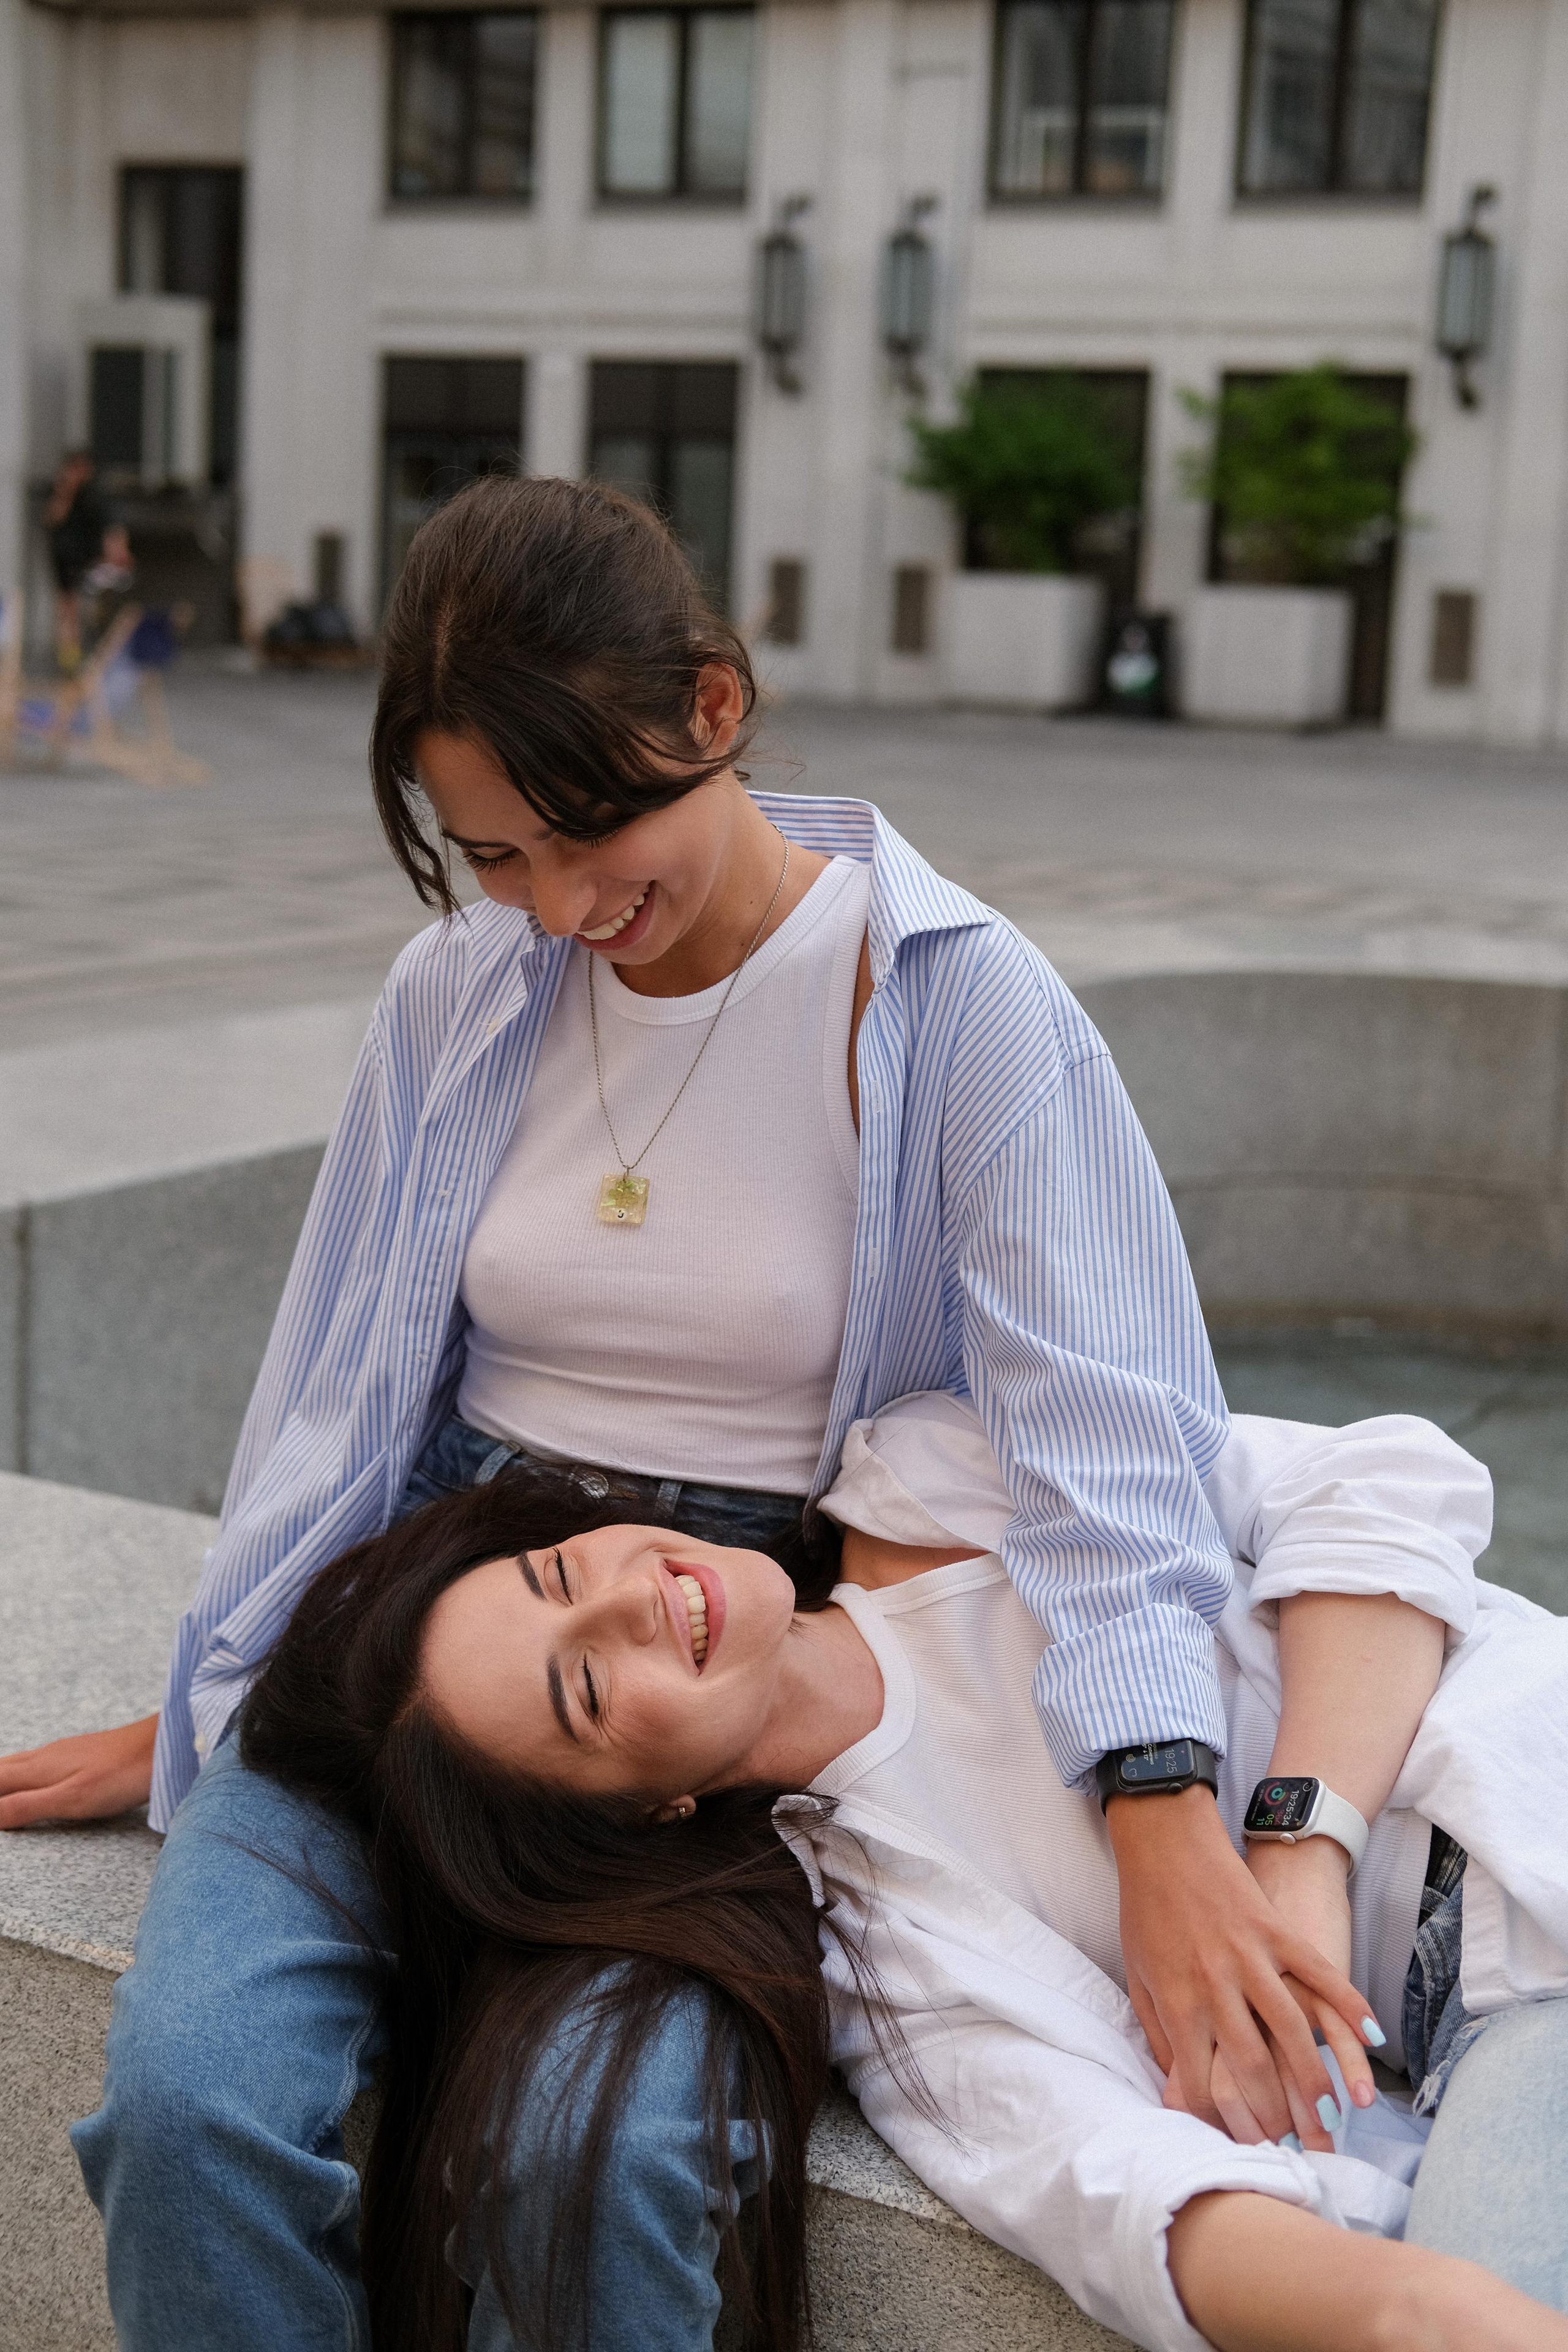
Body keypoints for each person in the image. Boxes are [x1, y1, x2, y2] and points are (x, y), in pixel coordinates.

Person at [2, 475, 1378, 2337]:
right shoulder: (455, 990)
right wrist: (223, 1687)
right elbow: (329, 1398)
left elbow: (1107, 1444)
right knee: (192, 2097)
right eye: (493, 853)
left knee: (611, 2152)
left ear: (712, 709)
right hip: (440, 1605)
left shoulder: (960, 1004)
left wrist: (1162, 1801)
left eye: (589, 828)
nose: (564, 907)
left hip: (722, 1653)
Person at [202, 1394, 1567, 2352]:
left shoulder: (937, 1482)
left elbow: (1373, 1481)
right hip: (1511, 2016)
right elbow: (1104, 2181)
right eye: (583, 1687)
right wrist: (1414, 2314)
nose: (630, 1601)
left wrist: (1296, 1844)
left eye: (560, 1571)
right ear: (645, 1814)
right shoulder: (885, 1948)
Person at [42, 448, 131, 674]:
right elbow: (53, 518)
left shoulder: (96, 494)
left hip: (89, 562)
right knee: (67, 609)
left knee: (87, 609)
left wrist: (117, 552)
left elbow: (112, 527)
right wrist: (66, 491)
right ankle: (69, 661)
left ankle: (92, 656)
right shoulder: (63, 492)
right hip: (65, 560)